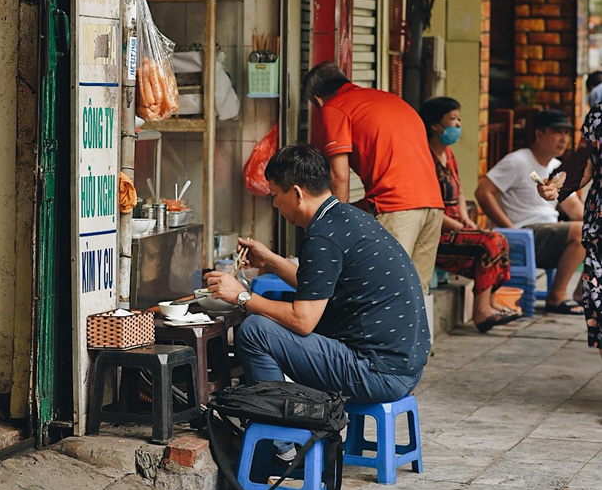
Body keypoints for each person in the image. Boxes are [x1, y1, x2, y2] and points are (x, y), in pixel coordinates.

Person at [205, 144, 431, 405]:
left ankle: (278, 439)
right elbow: (318, 285)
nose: (275, 204)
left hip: (378, 373)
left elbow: (303, 320)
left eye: (276, 196)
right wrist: (270, 261)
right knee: (269, 323)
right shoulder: (347, 218)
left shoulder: (322, 236)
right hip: (406, 369)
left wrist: (242, 296)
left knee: (255, 331)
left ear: (297, 193)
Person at [302, 61, 443, 294]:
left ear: (317, 100)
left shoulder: (334, 107)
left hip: (398, 208)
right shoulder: (387, 99)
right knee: (415, 294)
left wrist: (333, 228)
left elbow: (339, 177)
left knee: (383, 291)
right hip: (433, 206)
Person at [419, 97, 518, 333]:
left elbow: (460, 191)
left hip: (455, 225)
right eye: (452, 120)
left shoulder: (449, 155)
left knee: (500, 240)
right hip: (436, 232)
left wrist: (464, 217)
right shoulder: (424, 157)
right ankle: (481, 312)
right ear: (435, 126)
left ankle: (490, 303)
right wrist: (455, 225)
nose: (458, 125)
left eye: (459, 119)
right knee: (489, 242)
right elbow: (426, 206)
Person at [475, 109, 585, 315]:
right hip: (523, 232)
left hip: (549, 235)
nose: (564, 139)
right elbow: (483, 192)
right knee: (581, 232)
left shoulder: (558, 167)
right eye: (557, 132)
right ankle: (557, 296)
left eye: (567, 133)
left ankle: (582, 295)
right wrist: (508, 228)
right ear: (539, 134)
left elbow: (576, 210)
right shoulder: (517, 161)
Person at [537, 104, 602, 351]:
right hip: (599, 230)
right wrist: (558, 183)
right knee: (599, 308)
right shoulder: (599, 115)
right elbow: (584, 162)